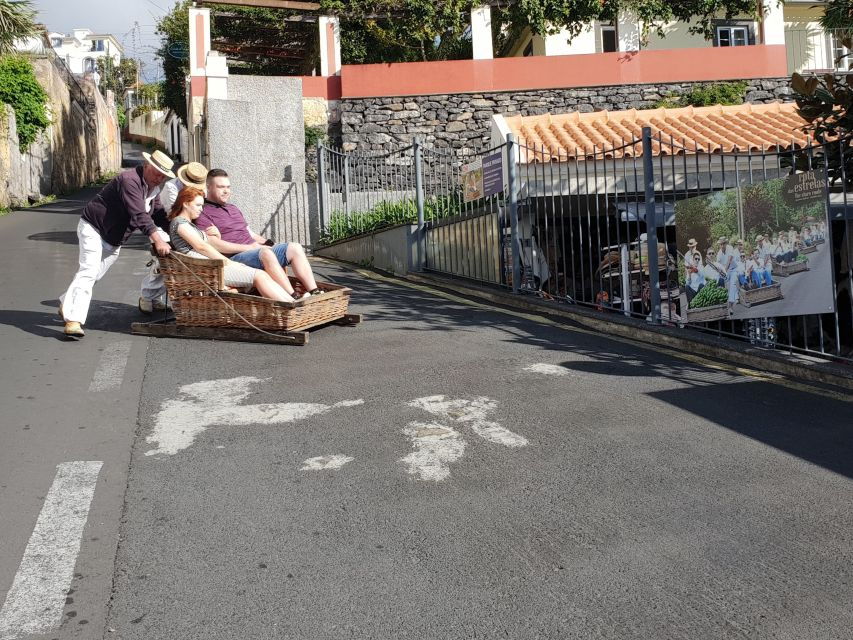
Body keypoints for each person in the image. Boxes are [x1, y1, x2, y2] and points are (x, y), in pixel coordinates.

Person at [58, 150, 174, 338]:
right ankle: (73, 320)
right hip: (94, 228)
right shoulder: (129, 180)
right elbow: (139, 215)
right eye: (157, 172)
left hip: (114, 239)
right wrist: (158, 239)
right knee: (88, 270)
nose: (159, 178)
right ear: (146, 166)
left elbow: (158, 214)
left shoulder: (153, 189)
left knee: (93, 274)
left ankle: (67, 303)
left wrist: (177, 231)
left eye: (163, 175)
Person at [196, 169, 322, 299]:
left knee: (294, 247)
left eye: (228, 187)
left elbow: (250, 233)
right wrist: (251, 248)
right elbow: (214, 245)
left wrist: (269, 244)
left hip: (256, 251)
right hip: (235, 258)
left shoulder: (233, 208)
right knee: (265, 253)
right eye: (221, 187)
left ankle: (314, 291)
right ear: (208, 187)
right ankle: (293, 296)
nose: (226, 191)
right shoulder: (203, 211)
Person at [168, 188, 296, 302]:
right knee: (259, 276)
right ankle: (289, 306)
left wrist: (216, 236)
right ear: (185, 203)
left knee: (261, 274)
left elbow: (207, 244)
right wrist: (227, 262)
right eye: (198, 205)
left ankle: (291, 302)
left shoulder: (188, 224)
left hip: (209, 265)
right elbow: (201, 246)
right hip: (205, 270)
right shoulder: (179, 222)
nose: (201, 209)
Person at [139, 161, 209, 313]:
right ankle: (147, 295)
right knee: (165, 263)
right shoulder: (172, 187)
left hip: (186, 227)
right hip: (165, 227)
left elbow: (201, 210)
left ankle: (156, 297)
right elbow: (175, 215)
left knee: (177, 266)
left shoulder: (202, 188)